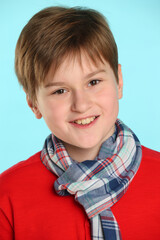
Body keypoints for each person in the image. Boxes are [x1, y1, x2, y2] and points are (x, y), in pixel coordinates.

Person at [0, 6, 160, 240]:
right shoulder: (7, 196)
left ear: (119, 81)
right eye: (60, 90)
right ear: (34, 104)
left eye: (93, 82)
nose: (81, 104)